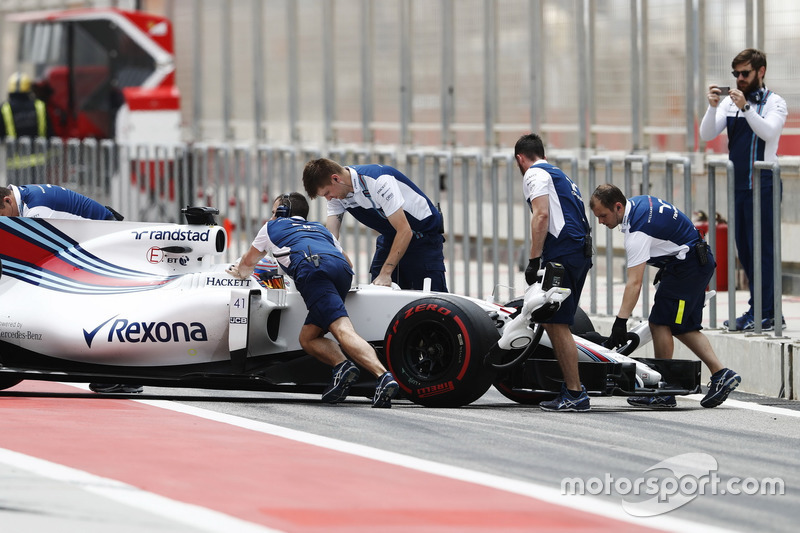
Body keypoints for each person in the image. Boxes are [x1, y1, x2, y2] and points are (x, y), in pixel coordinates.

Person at [227, 192, 400, 408]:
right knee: (308, 338)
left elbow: (247, 261)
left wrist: (240, 273)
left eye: (274, 212)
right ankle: (342, 367)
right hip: (342, 273)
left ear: (284, 212)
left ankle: (383, 376)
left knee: (342, 329)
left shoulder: (271, 227)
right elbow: (348, 262)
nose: (272, 217)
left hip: (313, 271)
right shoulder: (320, 229)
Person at [590, 184, 742, 409]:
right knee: (683, 326)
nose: (601, 222)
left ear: (618, 206)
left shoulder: (638, 230)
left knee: (660, 323)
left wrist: (620, 322)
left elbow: (634, 283)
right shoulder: (639, 203)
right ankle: (722, 374)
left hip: (687, 268)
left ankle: (664, 390)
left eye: (603, 216)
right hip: (692, 262)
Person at [0, 184, 138, 394]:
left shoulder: (38, 209)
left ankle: (125, 378)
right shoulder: (24, 199)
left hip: (108, 244)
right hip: (92, 239)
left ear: (7, 201)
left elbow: (38, 258)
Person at [699, 48, 788, 332]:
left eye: (745, 73)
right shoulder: (729, 104)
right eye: (735, 74)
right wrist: (713, 106)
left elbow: (768, 133)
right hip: (739, 184)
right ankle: (759, 310)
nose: (739, 79)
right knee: (746, 250)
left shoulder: (775, 102)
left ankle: (769, 312)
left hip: (764, 185)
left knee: (765, 250)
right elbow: (706, 134)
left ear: (761, 72)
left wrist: (746, 109)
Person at [514, 133, 593, 412]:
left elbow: (541, 215)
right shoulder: (560, 174)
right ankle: (572, 389)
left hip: (563, 253)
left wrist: (534, 260)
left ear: (520, 159)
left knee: (556, 323)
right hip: (580, 251)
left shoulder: (534, 174)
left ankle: (574, 392)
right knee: (557, 322)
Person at [302, 158, 447, 292]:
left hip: (421, 238)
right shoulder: (336, 194)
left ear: (336, 178)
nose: (328, 198)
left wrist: (386, 272)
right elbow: (332, 235)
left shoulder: (378, 181)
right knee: (378, 292)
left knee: (429, 300)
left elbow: (404, 231)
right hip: (390, 237)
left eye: (327, 193)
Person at [1, 73, 54, 181]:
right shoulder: (40, 105)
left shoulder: (5, 108)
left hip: (15, 163)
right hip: (39, 161)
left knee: (17, 194)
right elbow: (50, 132)